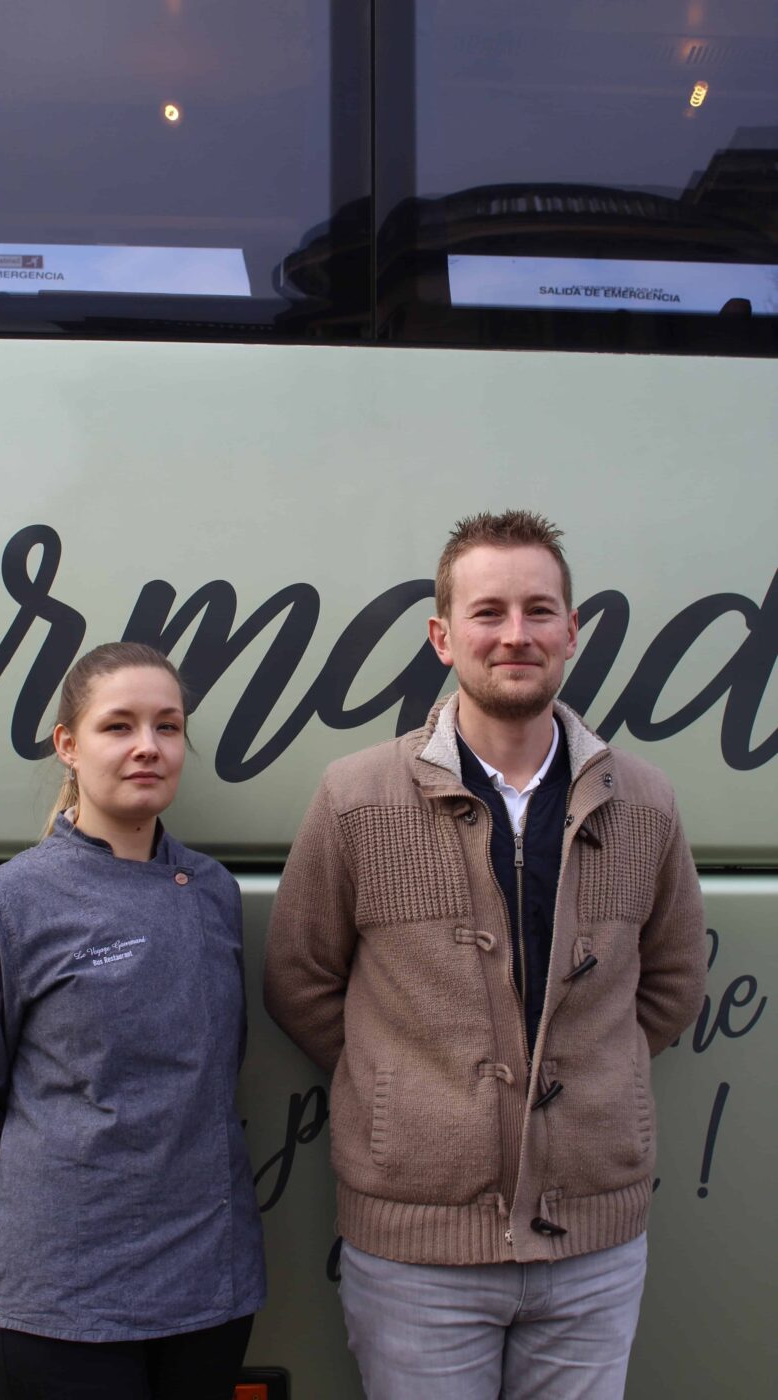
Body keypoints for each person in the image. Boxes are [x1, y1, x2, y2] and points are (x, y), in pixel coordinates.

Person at [264, 511, 706, 1400]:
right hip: (415, 1257)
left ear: (572, 631)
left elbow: (670, 983)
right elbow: (300, 979)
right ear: (442, 636)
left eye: (539, 611)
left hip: (592, 1250)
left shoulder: (644, 804)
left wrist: (592, 1075)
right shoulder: (356, 799)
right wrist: (403, 1094)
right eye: (487, 612)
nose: (515, 635)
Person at [0, 641, 265, 1400]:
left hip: (208, 1284)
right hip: (63, 1299)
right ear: (69, 747)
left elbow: (215, 1076)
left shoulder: (211, 891)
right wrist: (21, 1233)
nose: (148, 747)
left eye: (168, 727)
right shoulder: (9, 905)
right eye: (119, 727)